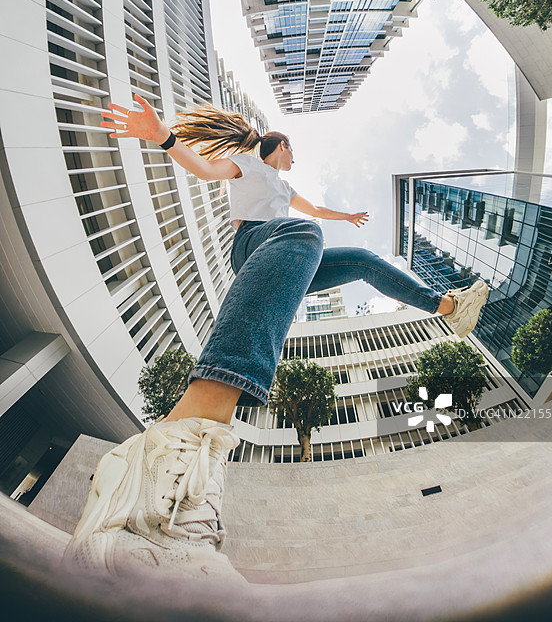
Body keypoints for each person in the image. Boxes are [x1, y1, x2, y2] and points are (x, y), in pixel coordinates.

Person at [64, 95, 488, 579]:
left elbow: (316, 208)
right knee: (304, 232)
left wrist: (346, 217)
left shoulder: (283, 187)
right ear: (280, 145)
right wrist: (162, 137)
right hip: (256, 244)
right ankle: (168, 472)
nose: (294, 161)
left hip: (286, 246)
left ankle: (449, 308)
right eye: (292, 152)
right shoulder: (245, 163)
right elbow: (204, 169)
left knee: (362, 260)